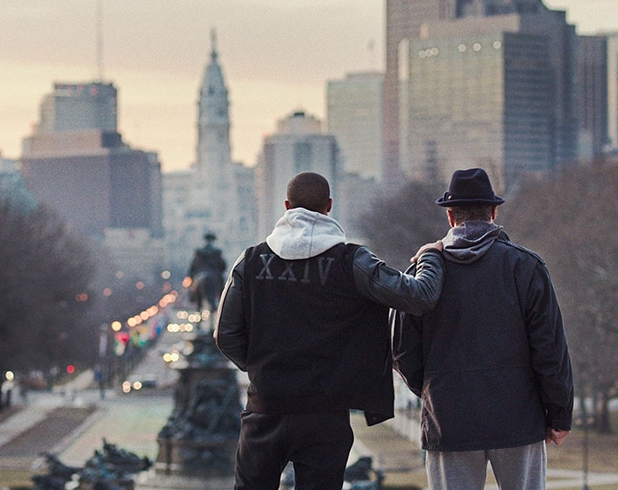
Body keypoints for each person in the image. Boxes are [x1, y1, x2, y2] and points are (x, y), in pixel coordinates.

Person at [214, 171, 444, 490]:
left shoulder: (251, 261)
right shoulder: (352, 261)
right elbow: (420, 296)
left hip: (266, 406)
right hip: (325, 412)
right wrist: (431, 254)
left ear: (286, 206)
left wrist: (261, 368)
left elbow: (225, 335)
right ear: (329, 206)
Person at [392, 167, 574, 490]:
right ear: (493, 212)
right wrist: (559, 415)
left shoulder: (421, 273)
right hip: (519, 420)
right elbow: (550, 350)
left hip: (449, 423)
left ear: (450, 217)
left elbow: (402, 349)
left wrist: (436, 388)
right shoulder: (527, 268)